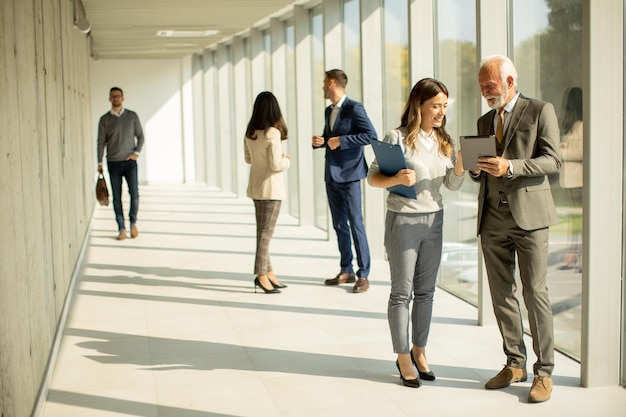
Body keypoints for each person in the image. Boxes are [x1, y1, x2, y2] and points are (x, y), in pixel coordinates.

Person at [471, 55, 561, 403]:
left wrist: (511, 166)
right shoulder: (483, 120)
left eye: (490, 86)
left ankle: (545, 371)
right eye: (481, 87)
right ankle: (515, 362)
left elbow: (552, 160)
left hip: (530, 218)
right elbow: (481, 167)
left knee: (534, 292)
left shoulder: (540, 110)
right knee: (501, 293)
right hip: (492, 217)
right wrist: (478, 169)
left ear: (510, 81)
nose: (485, 92)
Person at [367, 78, 465, 388]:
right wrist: (395, 176)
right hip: (404, 221)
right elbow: (372, 179)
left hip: (434, 221)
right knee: (401, 293)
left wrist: (460, 166)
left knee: (426, 292)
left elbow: (450, 185)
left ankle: (419, 351)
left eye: (444, 107)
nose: (440, 112)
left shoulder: (443, 140)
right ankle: (403, 356)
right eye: (435, 106)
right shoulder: (395, 137)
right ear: (418, 106)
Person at [312, 69, 378, 293]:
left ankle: (364, 274)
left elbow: (371, 135)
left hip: (350, 175)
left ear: (332, 83)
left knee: (356, 223)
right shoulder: (328, 110)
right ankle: (346, 269)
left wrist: (341, 140)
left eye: (324, 83)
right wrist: (322, 141)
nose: (322, 87)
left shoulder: (354, 108)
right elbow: (330, 139)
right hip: (331, 175)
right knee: (339, 224)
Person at [244, 91, 291, 294]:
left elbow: (249, 159)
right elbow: (275, 164)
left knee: (263, 232)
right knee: (265, 234)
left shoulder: (251, 132)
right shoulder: (273, 132)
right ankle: (261, 275)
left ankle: (269, 273)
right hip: (271, 189)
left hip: (256, 187)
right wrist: (286, 160)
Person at [97, 87, 145, 240]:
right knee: (116, 197)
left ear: (123, 98)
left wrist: (136, 153)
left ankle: (133, 224)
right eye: (113, 96)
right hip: (113, 163)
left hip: (130, 163)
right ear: (110, 99)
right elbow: (100, 142)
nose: (116, 99)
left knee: (134, 194)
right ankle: (121, 228)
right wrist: (99, 162)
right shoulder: (104, 119)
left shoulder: (132, 116)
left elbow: (141, 137)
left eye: (118, 96)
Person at [558, 87, 583, 271]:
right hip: (569, 181)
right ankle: (572, 254)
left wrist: (562, 151)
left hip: (578, 181)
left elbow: (581, 151)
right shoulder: (571, 125)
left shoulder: (582, 126)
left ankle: (577, 255)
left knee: (579, 222)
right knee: (573, 222)